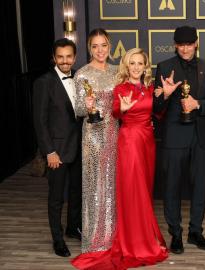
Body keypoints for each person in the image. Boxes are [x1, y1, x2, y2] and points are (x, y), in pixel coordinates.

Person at [72, 48, 168, 269]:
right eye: (132, 63)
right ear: (127, 66)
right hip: (129, 142)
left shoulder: (150, 88)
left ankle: (144, 236)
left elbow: (158, 114)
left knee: (144, 189)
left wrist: (166, 95)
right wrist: (123, 109)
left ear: (146, 66)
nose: (136, 67)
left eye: (139, 63)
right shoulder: (121, 88)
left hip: (147, 143)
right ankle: (135, 242)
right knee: (134, 192)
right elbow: (115, 111)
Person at [154, 25, 205, 254]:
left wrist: (199, 104)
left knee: (200, 187)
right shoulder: (164, 67)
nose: (185, 49)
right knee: (172, 186)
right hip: (174, 136)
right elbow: (155, 108)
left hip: (201, 136)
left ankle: (196, 231)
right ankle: (176, 233)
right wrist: (164, 94)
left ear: (196, 43)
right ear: (175, 45)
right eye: (180, 44)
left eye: (189, 44)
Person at [33, 38, 82, 257]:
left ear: (74, 57)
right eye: (60, 57)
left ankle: (73, 228)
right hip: (57, 152)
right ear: (54, 58)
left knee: (76, 193)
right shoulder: (44, 82)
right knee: (56, 197)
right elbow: (39, 121)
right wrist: (49, 151)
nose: (65, 61)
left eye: (69, 56)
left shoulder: (80, 77)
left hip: (79, 147)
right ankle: (58, 239)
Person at [73, 28, 119, 254]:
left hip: (114, 131)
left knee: (113, 185)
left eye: (104, 45)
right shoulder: (82, 74)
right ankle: (95, 238)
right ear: (89, 48)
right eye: (95, 46)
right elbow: (78, 109)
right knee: (94, 186)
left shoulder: (117, 71)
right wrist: (88, 105)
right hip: (92, 135)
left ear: (109, 46)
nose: (100, 50)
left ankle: (113, 236)